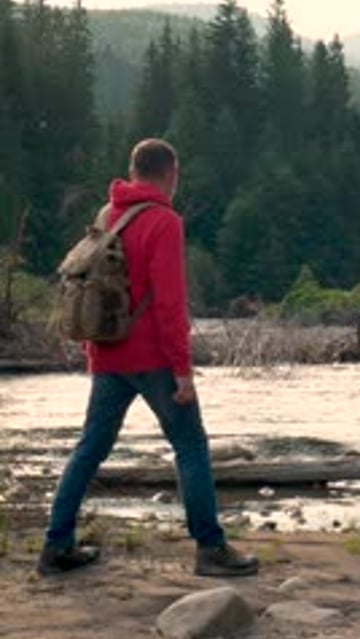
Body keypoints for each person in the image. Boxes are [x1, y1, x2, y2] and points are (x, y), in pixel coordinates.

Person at [38, 138, 258, 579]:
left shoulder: (107, 215)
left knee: (89, 450)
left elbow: (89, 290)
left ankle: (55, 548)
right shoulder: (164, 222)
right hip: (154, 359)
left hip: (108, 355)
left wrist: (92, 351)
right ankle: (210, 549)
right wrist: (182, 370)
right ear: (170, 173)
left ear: (133, 170)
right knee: (190, 446)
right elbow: (170, 306)